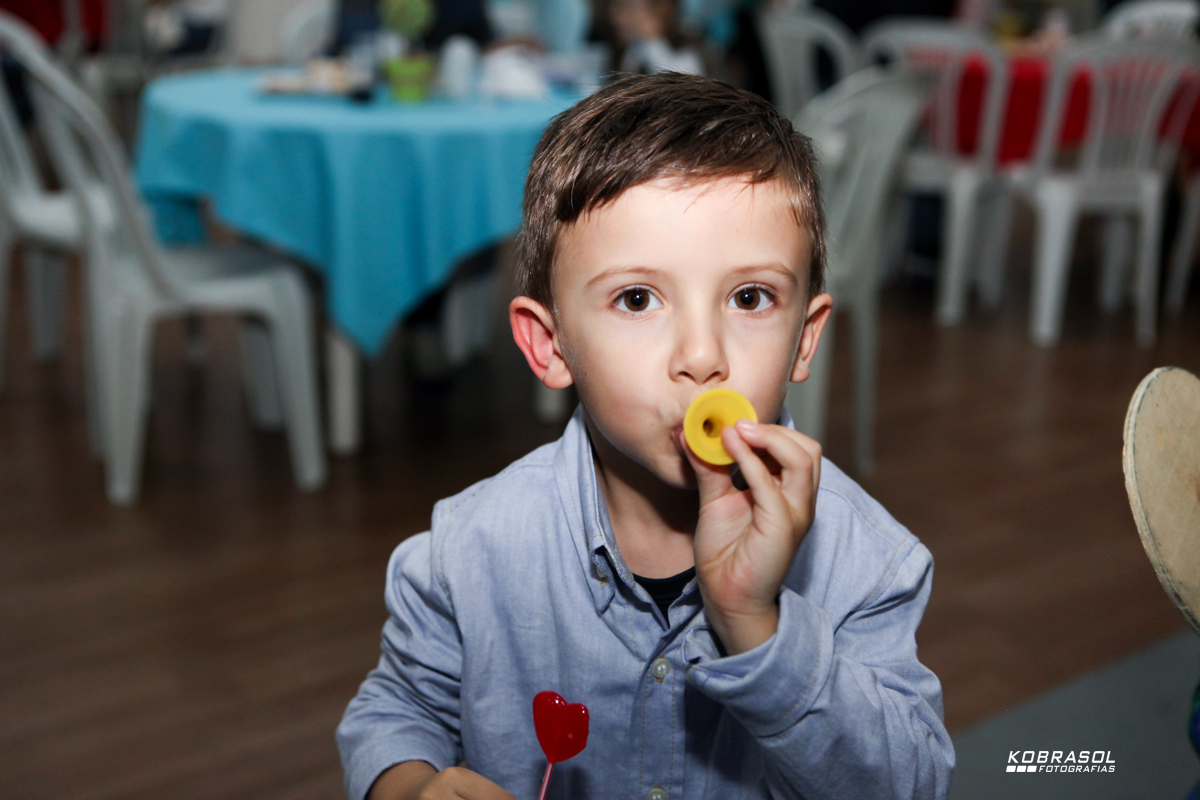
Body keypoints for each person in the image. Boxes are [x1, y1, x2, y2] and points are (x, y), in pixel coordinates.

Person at [337, 72, 955, 800]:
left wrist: (758, 625)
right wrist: (409, 788)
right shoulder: (468, 550)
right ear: (551, 345)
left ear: (804, 337)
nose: (701, 354)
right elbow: (398, 707)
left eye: (749, 298)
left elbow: (908, 787)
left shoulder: (868, 567)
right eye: (637, 298)